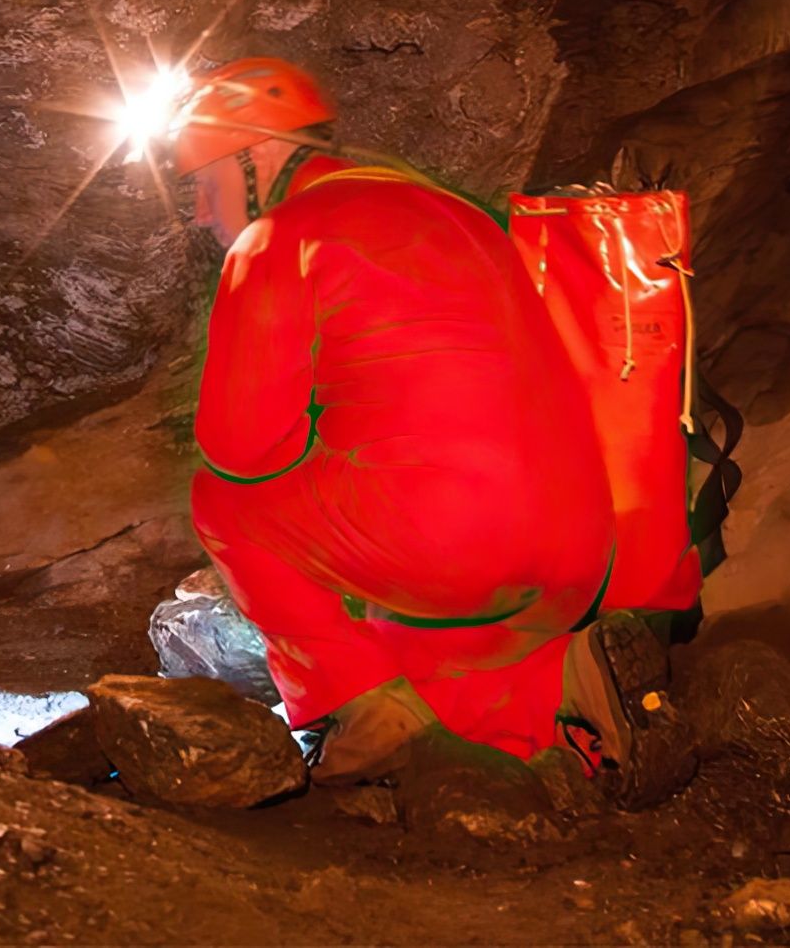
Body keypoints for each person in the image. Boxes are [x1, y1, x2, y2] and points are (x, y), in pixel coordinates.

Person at [179, 57, 690, 797]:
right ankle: (554, 694)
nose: (199, 212)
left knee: (222, 502)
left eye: (203, 183)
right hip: (584, 552)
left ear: (256, 156)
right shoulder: (460, 215)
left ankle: (359, 709)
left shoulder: (279, 238)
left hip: (451, 548)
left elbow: (243, 453)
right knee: (415, 526)